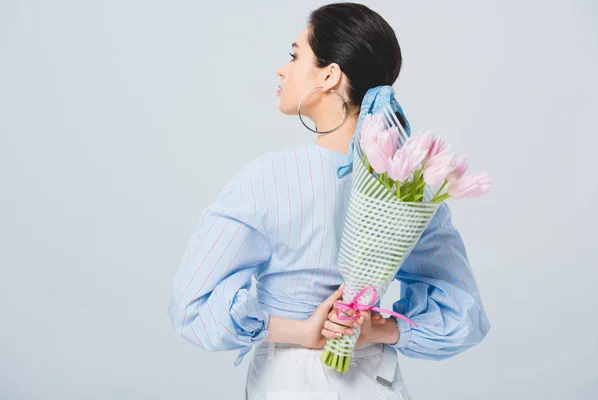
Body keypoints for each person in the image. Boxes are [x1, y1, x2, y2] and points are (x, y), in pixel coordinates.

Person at [167, 3, 491, 399]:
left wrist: (302, 331)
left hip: (287, 381)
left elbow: (192, 306)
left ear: (329, 75)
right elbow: (464, 315)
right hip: (376, 380)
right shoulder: (411, 186)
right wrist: (376, 330)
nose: (282, 69)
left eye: (294, 54)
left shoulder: (266, 179)